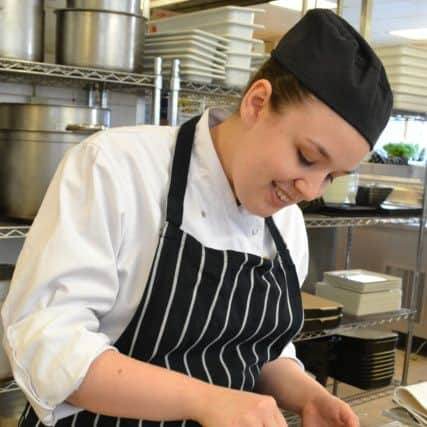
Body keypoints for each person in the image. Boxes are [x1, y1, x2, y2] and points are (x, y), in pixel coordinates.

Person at [2, 8, 392, 427]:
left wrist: (309, 395)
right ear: (257, 103)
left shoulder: (286, 223)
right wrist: (208, 402)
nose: (311, 190)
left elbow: (258, 350)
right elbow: (50, 344)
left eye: (331, 176)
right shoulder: (117, 168)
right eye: (307, 158)